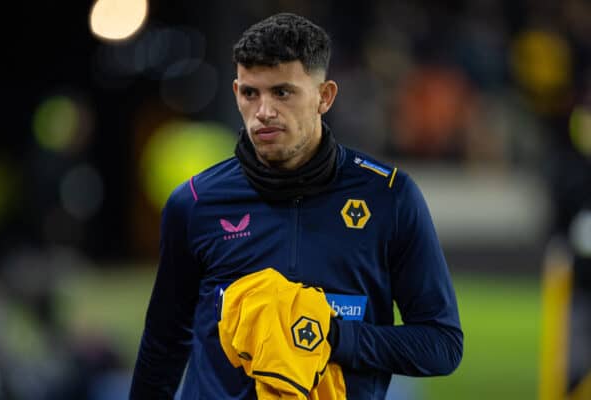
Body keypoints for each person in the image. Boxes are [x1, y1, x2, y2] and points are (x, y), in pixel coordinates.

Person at [129, 12, 463, 400]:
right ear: (235, 91)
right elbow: (163, 345)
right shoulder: (195, 205)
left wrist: (330, 335)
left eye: (282, 92)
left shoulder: (390, 197)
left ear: (324, 96)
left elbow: (442, 345)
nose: (264, 112)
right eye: (250, 93)